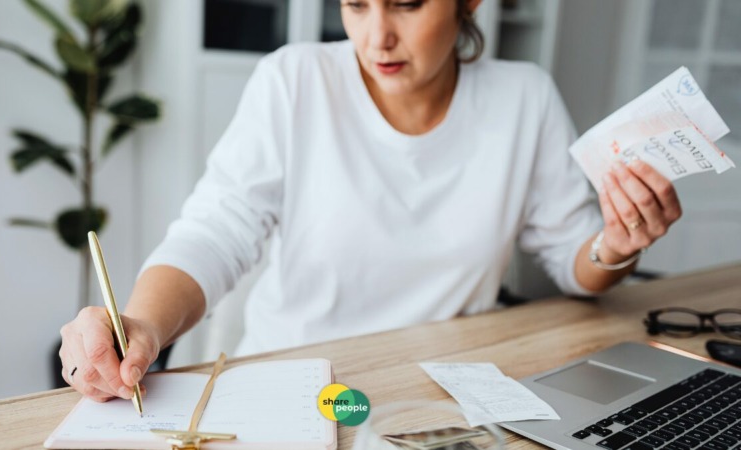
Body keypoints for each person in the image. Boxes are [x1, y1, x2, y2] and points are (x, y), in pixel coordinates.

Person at [59, 0, 682, 402]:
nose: (376, 35)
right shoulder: (295, 79)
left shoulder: (525, 99)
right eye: (355, 5)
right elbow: (217, 230)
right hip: (293, 391)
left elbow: (577, 261)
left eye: (406, 5)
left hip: (447, 397)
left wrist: (614, 245)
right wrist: (140, 324)